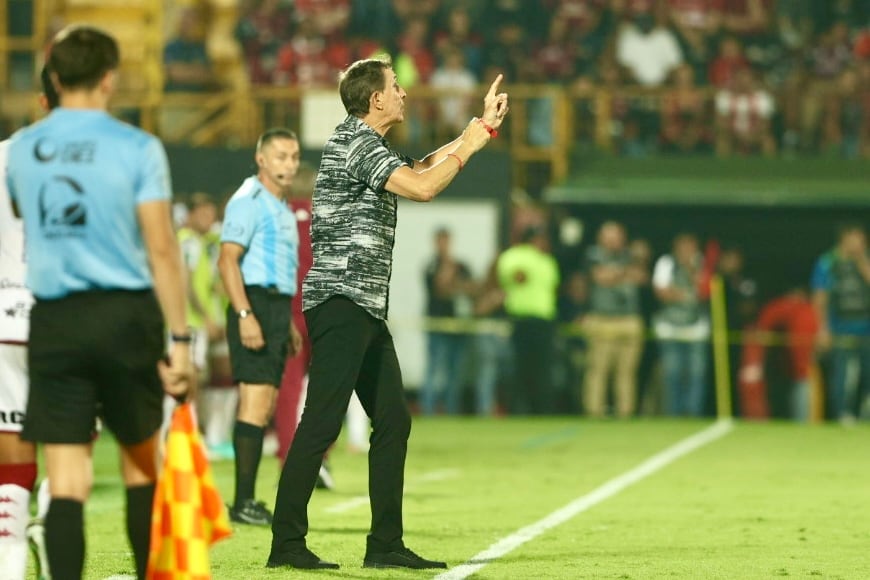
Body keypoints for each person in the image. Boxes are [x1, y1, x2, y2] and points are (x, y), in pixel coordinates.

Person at [268, 57, 507, 570]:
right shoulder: (355, 142)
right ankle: (286, 542)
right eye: (396, 87)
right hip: (342, 299)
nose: (403, 94)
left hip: (362, 305)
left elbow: (417, 168)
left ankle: (384, 545)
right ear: (375, 99)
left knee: (393, 419)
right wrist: (471, 143)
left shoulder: (368, 145)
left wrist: (474, 129)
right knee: (322, 421)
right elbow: (422, 188)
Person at [6, 25, 194, 580]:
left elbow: (24, 213)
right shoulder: (138, 147)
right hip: (126, 317)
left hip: (56, 320)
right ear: (110, 79)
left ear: (56, 78)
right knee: (141, 468)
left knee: (66, 483)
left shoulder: (23, 150)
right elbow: (162, 249)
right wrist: (180, 341)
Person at [218, 128, 303, 526]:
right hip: (253, 304)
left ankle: (246, 500)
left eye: (294, 156)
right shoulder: (248, 200)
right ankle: (242, 502)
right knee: (254, 403)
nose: (289, 163)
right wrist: (244, 314)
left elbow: (275, 268)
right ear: (262, 159)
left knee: (264, 402)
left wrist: (283, 321)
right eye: (281, 156)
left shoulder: (280, 205)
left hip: (273, 307)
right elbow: (227, 261)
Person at [0, 65, 58, 580]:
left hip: (5, 316)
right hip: (69, 315)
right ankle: (52, 523)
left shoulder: (2, 156)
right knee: (71, 443)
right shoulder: (108, 158)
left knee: (12, 438)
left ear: (41, 99)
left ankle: (11, 554)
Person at [582, 221, 648, 418]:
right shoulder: (594, 254)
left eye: (615, 236)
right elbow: (601, 277)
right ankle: (594, 411)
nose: (612, 241)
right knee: (598, 369)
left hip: (629, 319)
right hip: (603, 318)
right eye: (607, 236)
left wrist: (619, 274)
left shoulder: (630, 255)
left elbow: (642, 277)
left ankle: (625, 412)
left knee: (627, 372)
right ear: (600, 238)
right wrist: (624, 274)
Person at [497, 226, 561, 415]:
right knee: (525, 368)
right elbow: (518, 277)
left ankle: (539, 410)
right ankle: (521, 409)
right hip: (523, 319)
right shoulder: (516, 255)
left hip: (542, 320)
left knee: (538, 368)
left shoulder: (546, 260)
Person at [811, 224, 870, 423]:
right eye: (854, 239)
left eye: (861, 240)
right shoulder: (828, 262)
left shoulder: (866, 259)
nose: (858, 244)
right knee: (844, 377)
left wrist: (861, 260)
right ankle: (843, 416)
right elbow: (820, 297)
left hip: (867, 330)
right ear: (843, 238)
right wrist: (822, 328)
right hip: (841, 331)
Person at [653, 233, 710, 416]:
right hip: (670, 327)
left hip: (696, 328)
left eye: (690, 246)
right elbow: (662, 292)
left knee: (696, 374)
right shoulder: (666, 262)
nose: (686, 251)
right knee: (672, 373)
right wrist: (686, 295)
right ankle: (673, 413)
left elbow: (705, 292)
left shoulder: (702, 263)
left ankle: (693, 413)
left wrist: (692, 272)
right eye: (682, 246)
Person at [420, 227, 472, 415]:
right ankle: (428, 409)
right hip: (436, 324)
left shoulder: (462, 265)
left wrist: (456, 285)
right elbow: (441, 289)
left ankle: (451, 410)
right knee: (434, 370)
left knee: (454, 371)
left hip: (457, 325)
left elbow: (470, 289)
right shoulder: (431, 266)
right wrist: (451, 275)